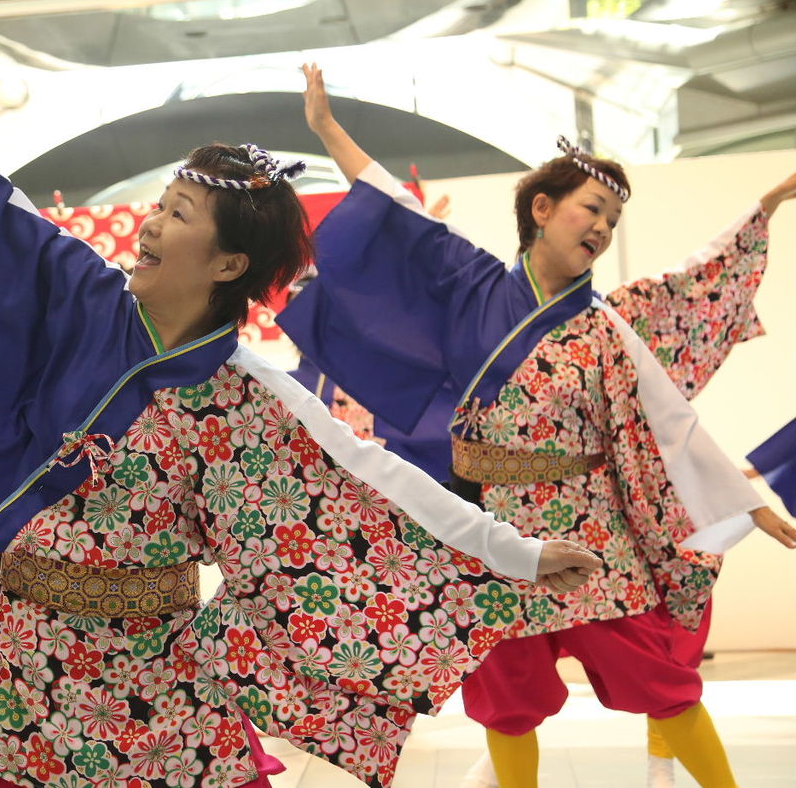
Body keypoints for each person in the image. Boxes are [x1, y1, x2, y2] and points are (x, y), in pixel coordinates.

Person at [0, 20, 601, 788]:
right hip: (25, 659)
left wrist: (517, 551)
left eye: (178, 214)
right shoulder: (82, 297)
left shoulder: (247, 393)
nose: (150, 225)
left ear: (228, 263)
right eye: (159, 205)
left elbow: (374, 475)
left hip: (161, 682)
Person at [281, 63, 796, 788]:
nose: (603, 227)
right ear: (543, 208)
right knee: (506, 703)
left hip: (589, 532)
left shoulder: (607, 326)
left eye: (612, 220)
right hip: (493, 530)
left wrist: (744, 504)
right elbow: (396, 209)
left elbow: (671, 422)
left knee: (662, 684)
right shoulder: (470, 283)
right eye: (592, 209)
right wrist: (328, 128)